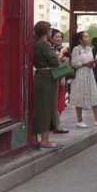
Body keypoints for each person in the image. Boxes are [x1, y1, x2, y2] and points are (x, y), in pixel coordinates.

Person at [32, 21, 63, 150]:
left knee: (38, 109)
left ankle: (34, 139)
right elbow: (55, 61)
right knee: (47, 108)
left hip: (40, 76)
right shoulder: (44, 44)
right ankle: (45, 141)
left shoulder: (36, 44)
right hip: (47, 78)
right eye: (50, 30)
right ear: (46, 31)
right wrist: (61, 54)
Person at [70, 31, 97, 128]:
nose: (88, 38)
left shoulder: (89, 49)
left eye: (88, 36)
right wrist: (85, 64)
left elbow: (92, 62)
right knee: (80, 96)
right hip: (80, 74)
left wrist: (94, 63)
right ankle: (80, 120)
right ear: (80, 39)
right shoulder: (76, 49)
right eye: (86, 36)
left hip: (89, 74)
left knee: (94, 94)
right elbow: (74, 63)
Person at [49, 28, 70, 134]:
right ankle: (56, 124)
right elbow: (56, 62)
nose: (59, 39)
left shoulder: (62, 48)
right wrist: (61, 53)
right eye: (56, 36)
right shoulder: (50, 48)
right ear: (51, 37)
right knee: (54, 101)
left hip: (61, 76)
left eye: (60, 37)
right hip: (51, 77)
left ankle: (57, 123)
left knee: (61, 101)